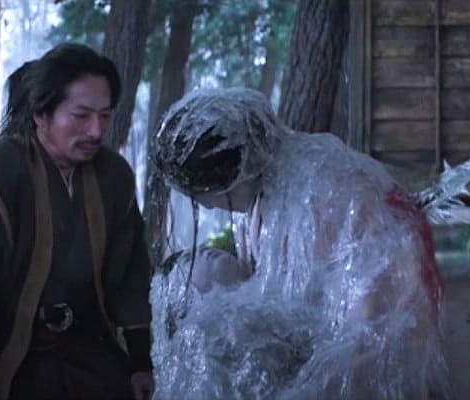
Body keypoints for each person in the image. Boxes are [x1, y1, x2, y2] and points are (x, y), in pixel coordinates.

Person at [150, 87, 452, 399]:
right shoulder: (265, 192)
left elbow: (376, 329)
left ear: (223, 181)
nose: (207, 207)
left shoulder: (325, 193)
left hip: (380, 355)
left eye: (198, 196)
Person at [0, 43, 154, 400]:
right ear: (40, 114)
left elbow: (131, 274)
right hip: (5, 363)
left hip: (89, 358)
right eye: (81, 115)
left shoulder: (113, 176)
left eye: (105, 116)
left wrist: (141, 361)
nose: (96, 131)